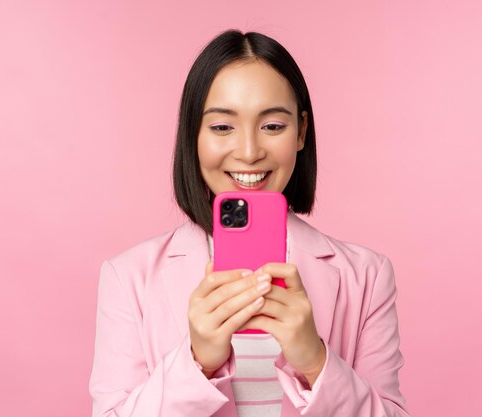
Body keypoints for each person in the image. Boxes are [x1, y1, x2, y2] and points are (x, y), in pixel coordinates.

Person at [89, 29, 410, 417]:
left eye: (272, 126)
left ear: (301, 132)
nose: (249, 152)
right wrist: (196, 363)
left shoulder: (368, 276)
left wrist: (316, 361)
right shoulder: (128, 278)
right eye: (223, 127)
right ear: (194, 135)